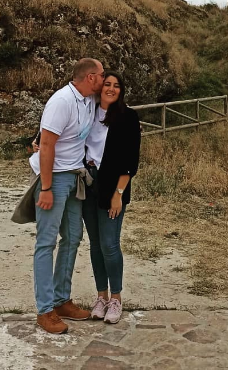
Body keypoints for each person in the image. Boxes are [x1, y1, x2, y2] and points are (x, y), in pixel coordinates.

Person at [29, 57, 105, 334]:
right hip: (54, 178)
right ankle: (45, 310)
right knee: (46, 243)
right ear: (90, 77)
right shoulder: (61, 101)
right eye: (101, 75)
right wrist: (46, 188)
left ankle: (61, 300)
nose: (104, 79)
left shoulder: (89, 100)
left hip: (75, 176)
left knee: (73, 238)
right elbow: (47, 144)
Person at [82, 70, 141, 324]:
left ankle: (116, 298)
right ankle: (101, 297)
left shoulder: (128, 117)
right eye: (107, 84)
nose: (111, 89)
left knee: (110, 244)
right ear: (100, 87)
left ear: (121, 91)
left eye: (117, 86)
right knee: (95, 244)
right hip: (87, 182)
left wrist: (119, 194)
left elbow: (130, 161)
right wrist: (39, 140)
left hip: (113, 185)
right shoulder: (88, 112)